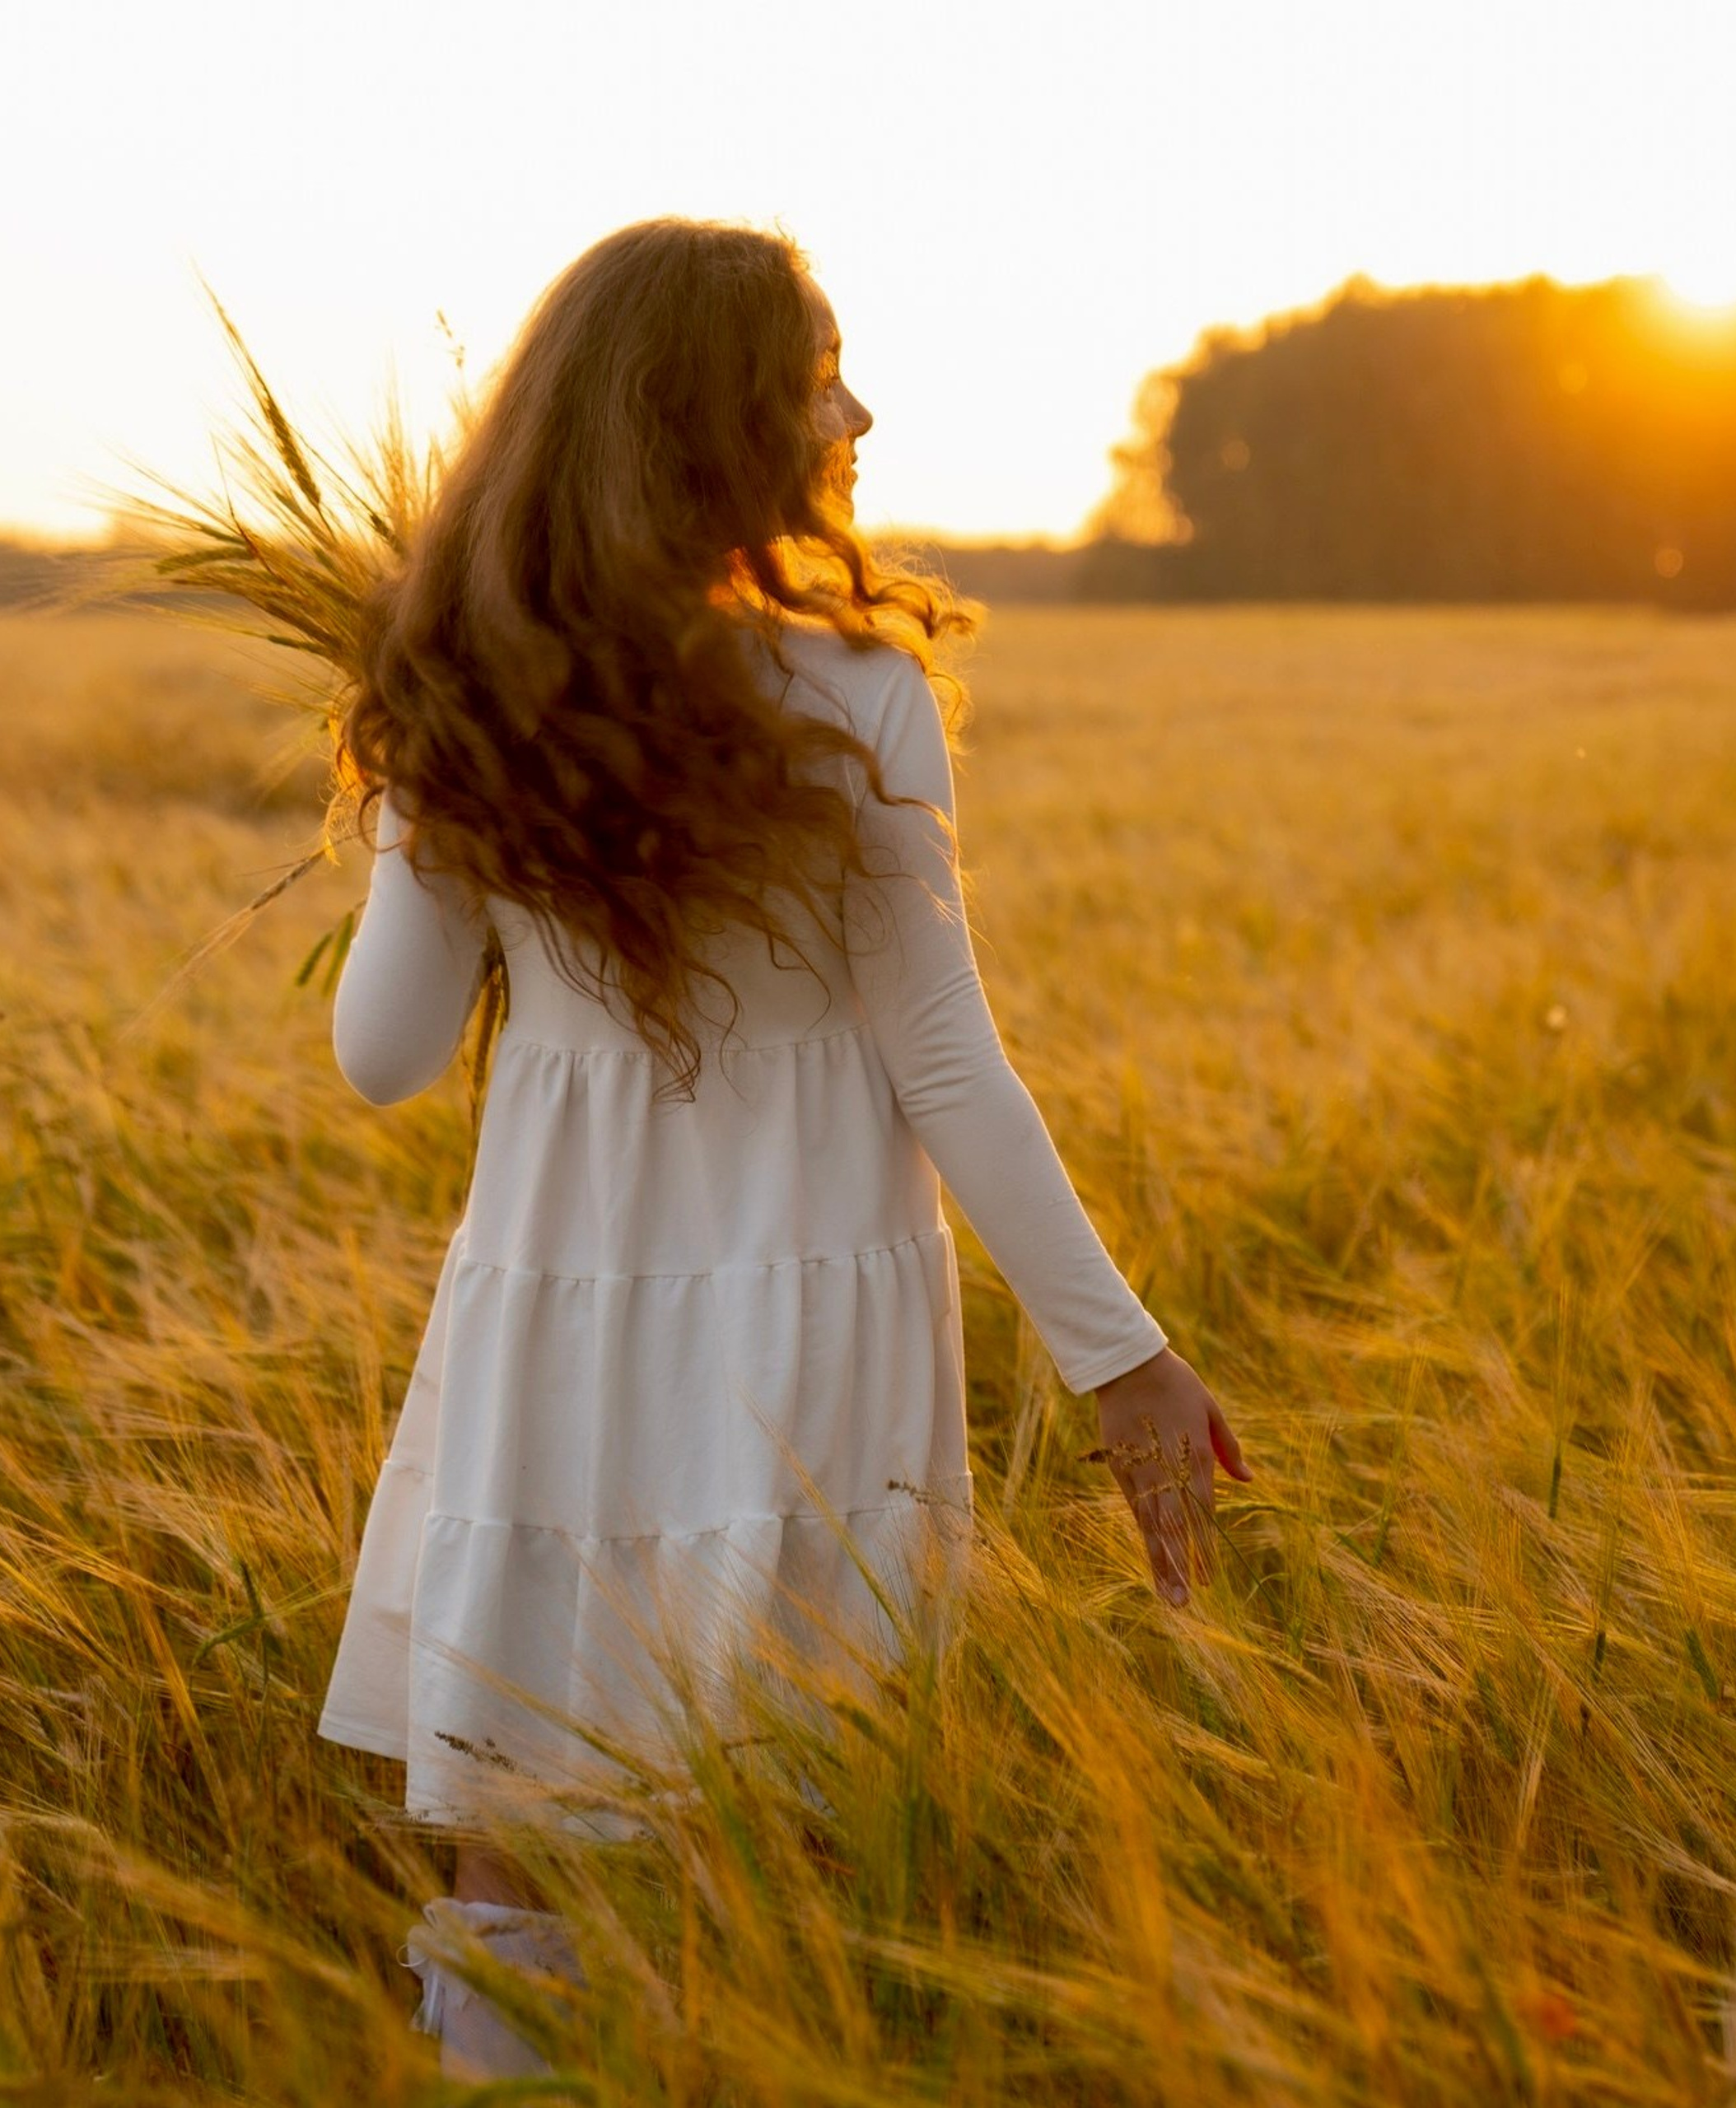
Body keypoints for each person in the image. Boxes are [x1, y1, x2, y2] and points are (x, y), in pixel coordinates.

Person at [313, 217, 1251, 2078]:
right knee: (794, 1847)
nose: (859, 406)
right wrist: (1118, 1360)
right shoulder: (858, 686)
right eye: (820, 368)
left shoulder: (467, 704)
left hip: (558, 1325)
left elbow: (383, 1056)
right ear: (707, 414)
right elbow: (944, 1060)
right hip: (811, 1326)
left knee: (523, 1830)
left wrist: (421, 795)